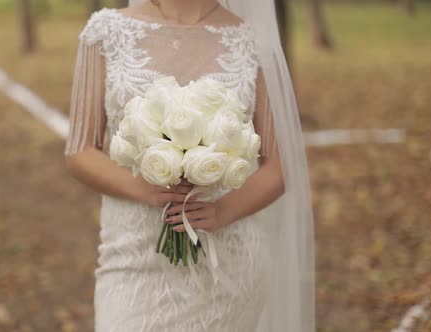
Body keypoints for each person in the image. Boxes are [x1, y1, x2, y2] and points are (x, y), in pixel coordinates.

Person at [64, 0, 315, 331]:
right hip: (132, 259)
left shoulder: (251, 40)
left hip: (228, 266)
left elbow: (279, 167)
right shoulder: (105, 32)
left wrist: (222, 211)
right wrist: (145, 187)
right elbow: (80, 151)